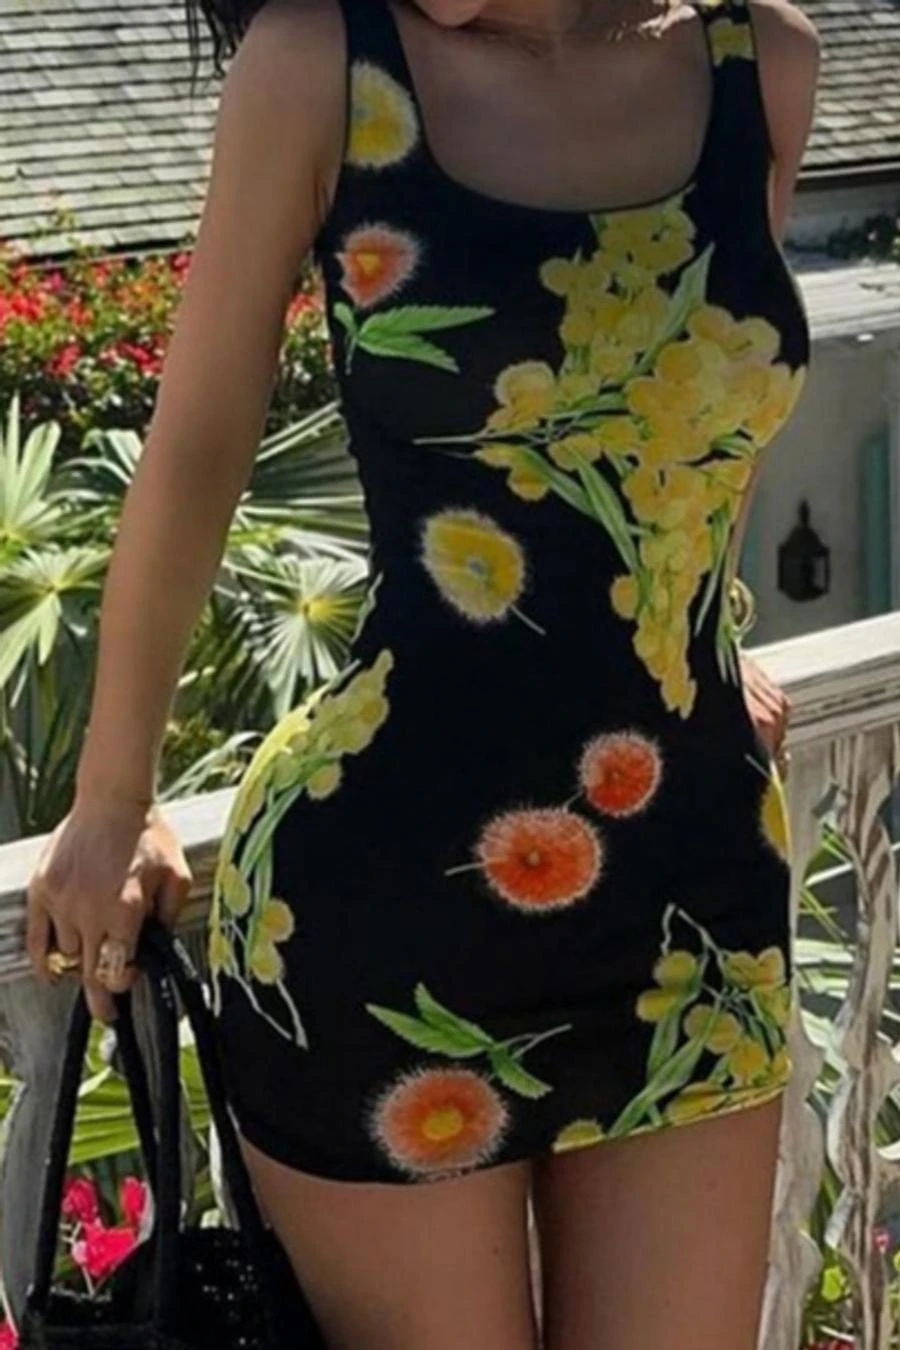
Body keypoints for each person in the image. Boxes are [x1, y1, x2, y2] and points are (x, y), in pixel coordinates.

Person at [26, 0, 818, 1345]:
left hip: (695, 893)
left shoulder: (762, 67)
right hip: (376, 909)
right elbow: (200, 442)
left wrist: (701, 631)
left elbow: (700, 399)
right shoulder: (322, 66)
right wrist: (111, 799)